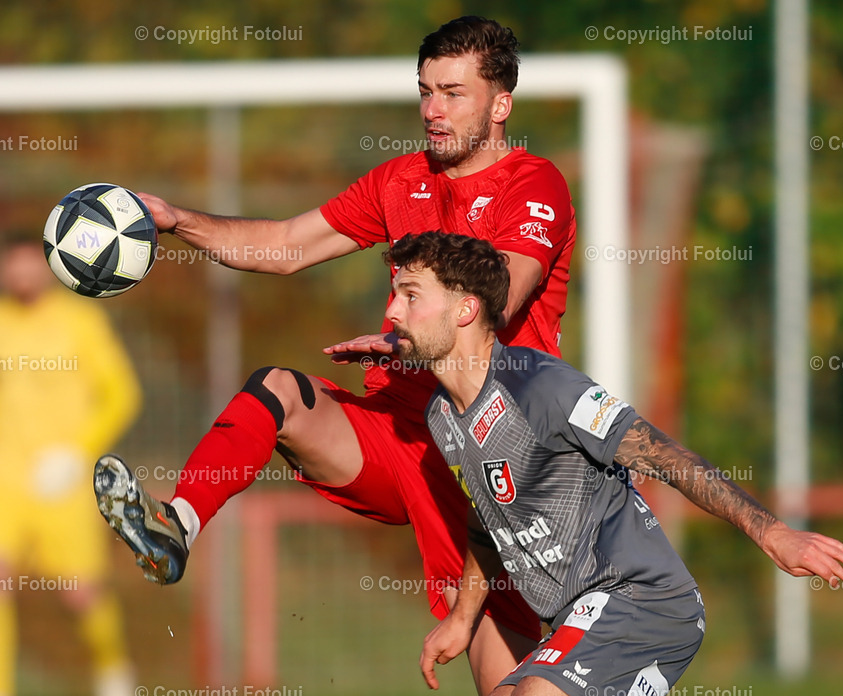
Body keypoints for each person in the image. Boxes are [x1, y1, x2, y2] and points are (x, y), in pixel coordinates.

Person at [93, 15, 574, 693]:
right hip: (400, 434)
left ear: (501, 105)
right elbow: (287, 245)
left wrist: (403, 340)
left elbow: (505, 294)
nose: (432, 110)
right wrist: (179, 222)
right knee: (278, 391)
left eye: (453, 93)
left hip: (494, 448)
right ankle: (177, 526)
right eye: (424, 90)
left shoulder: (534, 184)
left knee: (507, 676)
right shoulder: (397, 181)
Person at [373, 231, 843, 695]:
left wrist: (771, 532)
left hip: (641, 601)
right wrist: (462, 618)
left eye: (410, 295)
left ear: (466, 309)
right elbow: (489, 519)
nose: (393, 311)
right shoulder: (442, 415)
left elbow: (665, 457)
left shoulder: (541, 388)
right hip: (582, 617)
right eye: (395, 294)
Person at [0, 236, 140, 696]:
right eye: (11, 267)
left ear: (49, 268)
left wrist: (76, 452)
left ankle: (112, 668)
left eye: (28, 266)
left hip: (62, 483)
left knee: (80, 592)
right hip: (0, 478)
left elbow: (122, 395)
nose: (20, 275)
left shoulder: (83, 321)